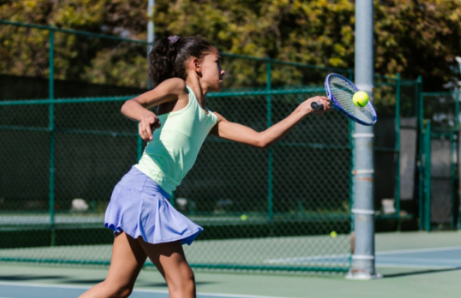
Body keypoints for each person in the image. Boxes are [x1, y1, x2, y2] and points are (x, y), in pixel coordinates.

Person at [79, 35, 330, 298]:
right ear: (197, 65)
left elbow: (261, 139)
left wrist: (303, 109)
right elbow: (131, 104)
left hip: (141, 192)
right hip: (143, 191)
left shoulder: (210, 118)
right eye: (217, 62)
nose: (224, 70)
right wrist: (144, 115)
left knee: (118, 287)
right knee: (183, 282)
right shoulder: (177, 88)